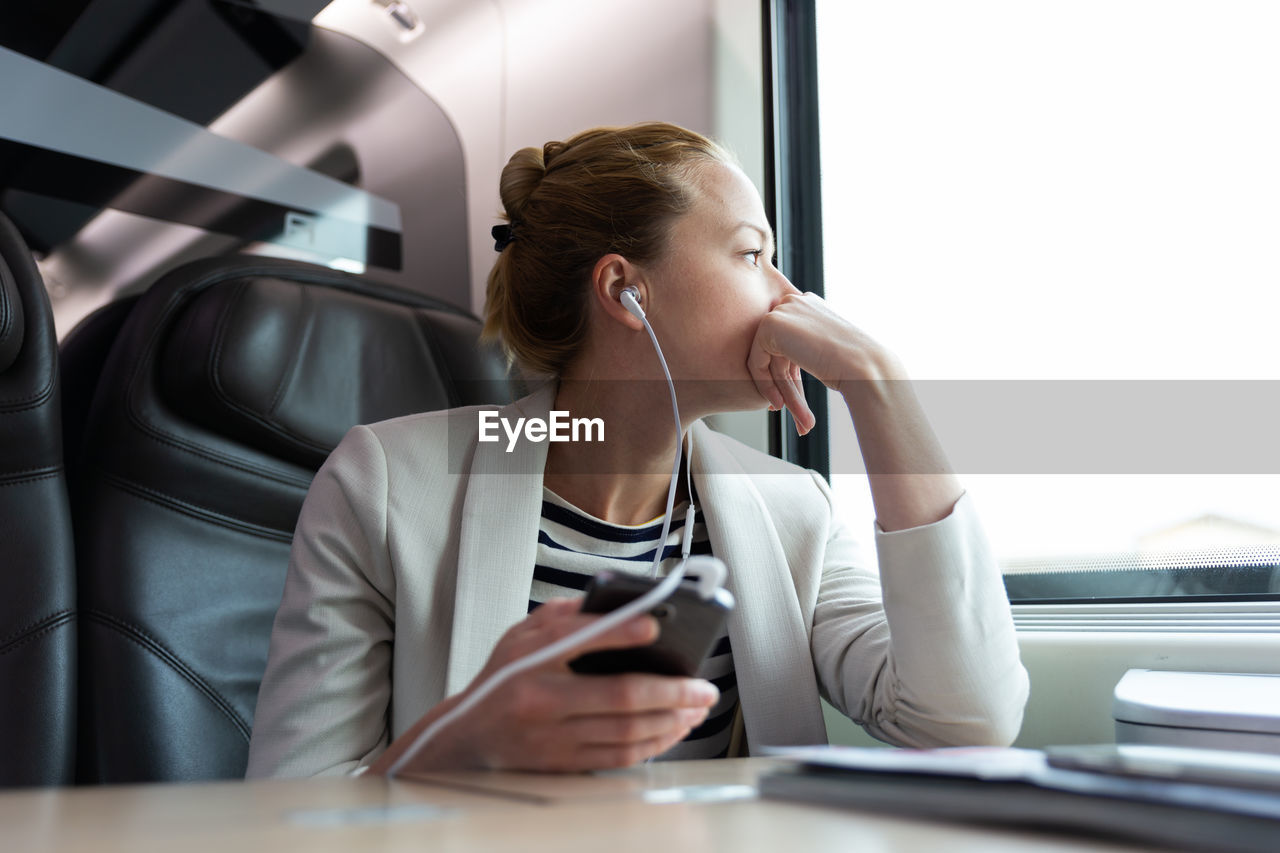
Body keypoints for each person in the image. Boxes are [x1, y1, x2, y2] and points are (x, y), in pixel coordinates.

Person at [245, 121, 1029, 778]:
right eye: (752, 254)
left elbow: (964, 724)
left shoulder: (793, 510)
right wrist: (463, 740)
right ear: (626, 289)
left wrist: (879, 387)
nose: (787, 295)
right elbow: (291, 807)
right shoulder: (387, 481)